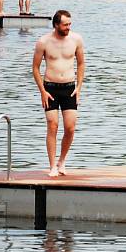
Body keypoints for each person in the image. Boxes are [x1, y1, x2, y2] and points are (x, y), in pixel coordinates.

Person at [32, 10, 86, 178]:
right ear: (56, 25)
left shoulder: (76, 39)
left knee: (70, 128)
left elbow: (81, 63)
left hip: (69, 87)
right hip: (50, 88)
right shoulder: (43, 42)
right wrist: (42, 91)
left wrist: (79, 87)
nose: (68, 27)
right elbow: (35, 68)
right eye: (65, 25)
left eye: (70, 24)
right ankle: (52, 165)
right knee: (52, 125)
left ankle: (62, 161)